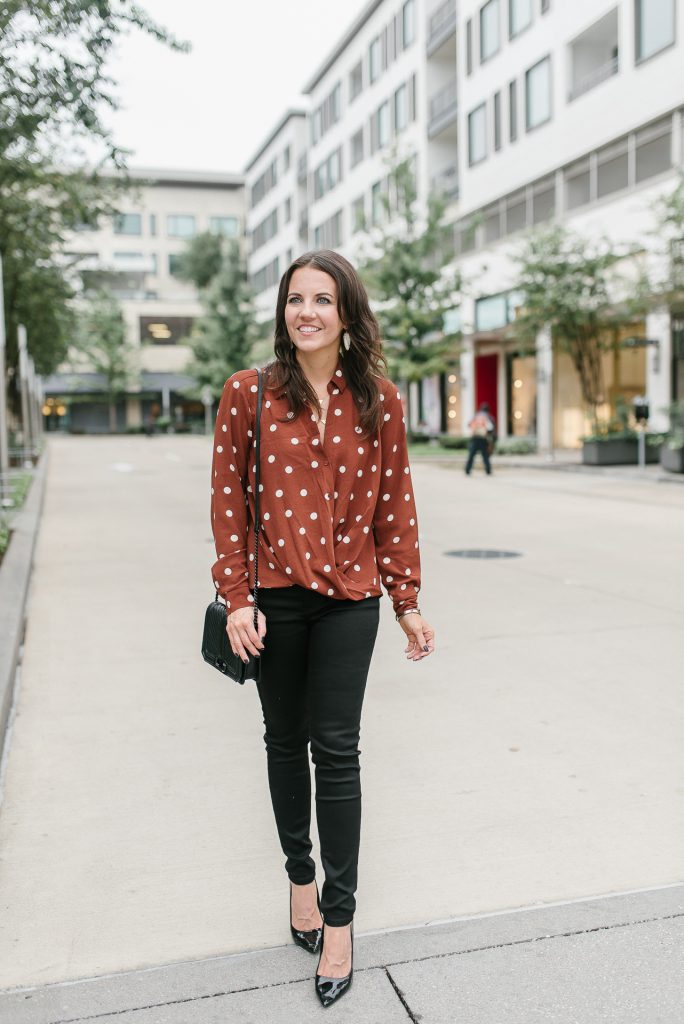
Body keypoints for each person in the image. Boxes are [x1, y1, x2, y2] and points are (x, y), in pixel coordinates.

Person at [210, 250, 435, 1008]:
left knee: (337, 751)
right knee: (283, 741)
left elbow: (395, 504)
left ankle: (339, 924)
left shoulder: (379, 399)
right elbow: (229, 501)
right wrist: (236, 596)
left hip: (349, 600)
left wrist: (406, 599)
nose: (306, 311)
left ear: (346, 314)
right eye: (295, 299)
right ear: (284, 311)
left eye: (322, 299)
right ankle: (299, 884)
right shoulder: (247, 394)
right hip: (273, 600)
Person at [465, 401, 496, 476]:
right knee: (485, 455)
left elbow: (469, 424)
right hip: (483, 439)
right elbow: (491, 428)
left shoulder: (476, 416)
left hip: (475, 438)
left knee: (471, 455)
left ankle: (467, 470)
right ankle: (488, 470)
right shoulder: (488, 417)